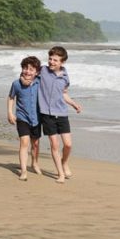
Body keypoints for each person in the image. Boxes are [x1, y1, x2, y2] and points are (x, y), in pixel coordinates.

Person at [38, 46, 82, 184]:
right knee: (54, 145)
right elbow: (28, 75)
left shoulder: (65, 76)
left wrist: (73, 104)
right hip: (47, 114)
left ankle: (64, 163)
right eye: (50, 59)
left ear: (62, 62)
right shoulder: (42, 71)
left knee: (68, 145)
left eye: (55, 60)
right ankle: (60, 173)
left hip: (62, 113)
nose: (51, 62)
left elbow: (64, 94)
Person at [7, 56, 42, 181]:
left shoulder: (40, 82)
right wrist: (10, 113)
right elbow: (11, 98)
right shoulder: (16, 84)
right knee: (24, 143)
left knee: (36, 144)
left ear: (37, 72)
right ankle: (24, 171)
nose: (27, 71)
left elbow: (49, 72)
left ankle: (35, 163)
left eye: (31, 69)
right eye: (25, 68)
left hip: (37, 118)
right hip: (22, 118)